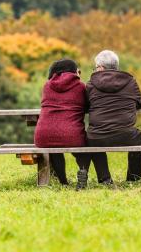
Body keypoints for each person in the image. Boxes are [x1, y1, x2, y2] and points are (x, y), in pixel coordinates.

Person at [86, 50, 141, 182]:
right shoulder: (130, 82)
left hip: (98, 135)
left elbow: (85, 106)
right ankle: (133, 179)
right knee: (139, 139)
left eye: (96, 67)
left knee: (91, 139)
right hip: (126, 134)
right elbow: (140, 104)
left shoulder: (91, 84)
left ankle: (105, 179)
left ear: (100, 67)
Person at [34, 58, 91, 190]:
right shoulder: (80, 86)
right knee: (87, 149)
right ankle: (83, 171)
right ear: (73, 72)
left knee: (54, 148)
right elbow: (88, 106)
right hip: (72, 135)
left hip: (43, 136)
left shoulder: (47, 86)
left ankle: (63, 182)